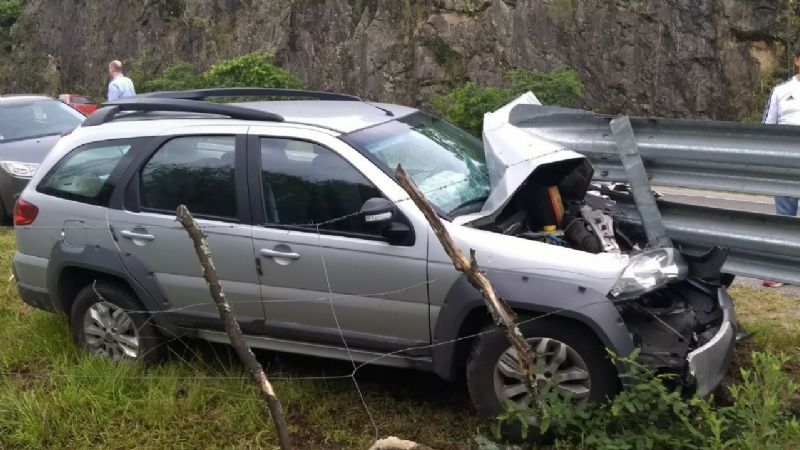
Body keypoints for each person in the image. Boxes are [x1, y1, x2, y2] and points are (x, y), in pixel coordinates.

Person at [760, 43, 800, 287]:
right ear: (797, 61)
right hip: (786, 163)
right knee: (784, 218)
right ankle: (780, 271)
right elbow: (767, 127)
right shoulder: (780, 91)